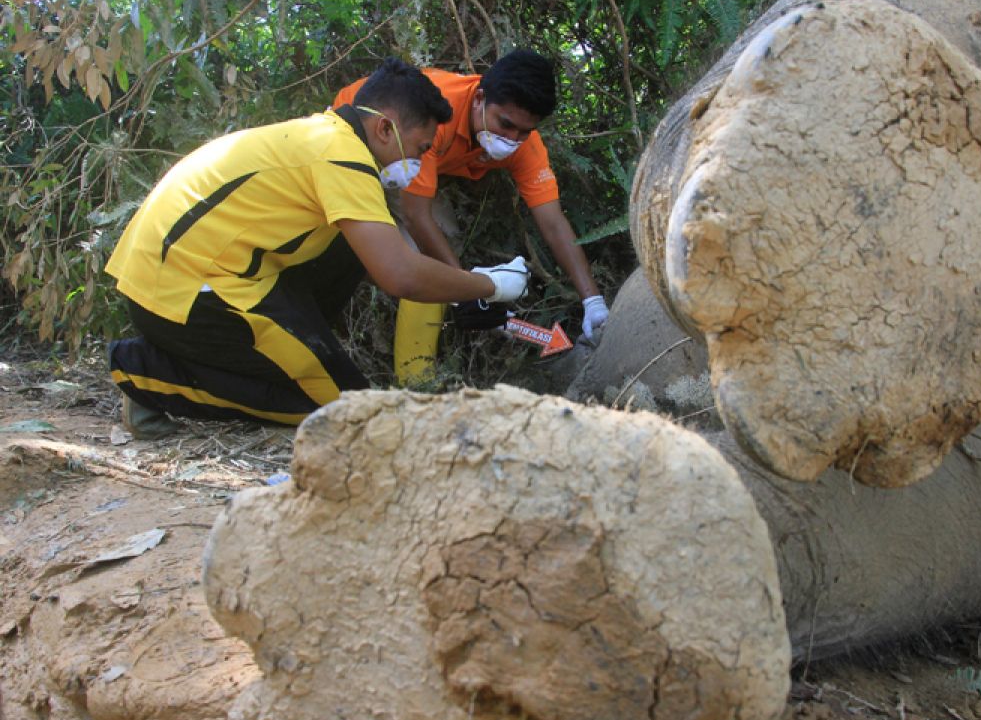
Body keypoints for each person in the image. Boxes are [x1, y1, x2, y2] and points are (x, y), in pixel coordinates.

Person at [106, 58, 529, 439]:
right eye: (420, 148)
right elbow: (400, 274)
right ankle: (144, 373)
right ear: (385, 128)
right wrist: (487, 285)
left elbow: (386, 257)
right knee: (346, 416)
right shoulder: (340, 156)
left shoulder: (325, 135)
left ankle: (299, 351)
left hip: (183, 275)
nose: (420, 161)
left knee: (350, 246)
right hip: (184, 294)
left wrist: (459, 289)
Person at [332, 49, 609, 379]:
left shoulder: (524, 143)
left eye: (524, 132)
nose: (512, 140)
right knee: (422, 263)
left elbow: (552, 222)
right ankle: (416, 381)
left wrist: (593, 301)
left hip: (408, 163)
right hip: (362, 143)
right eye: (505, 124)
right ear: (479, 99)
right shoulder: (433, 118)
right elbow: (416, 215)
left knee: (442, 248)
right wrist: (470, 290)